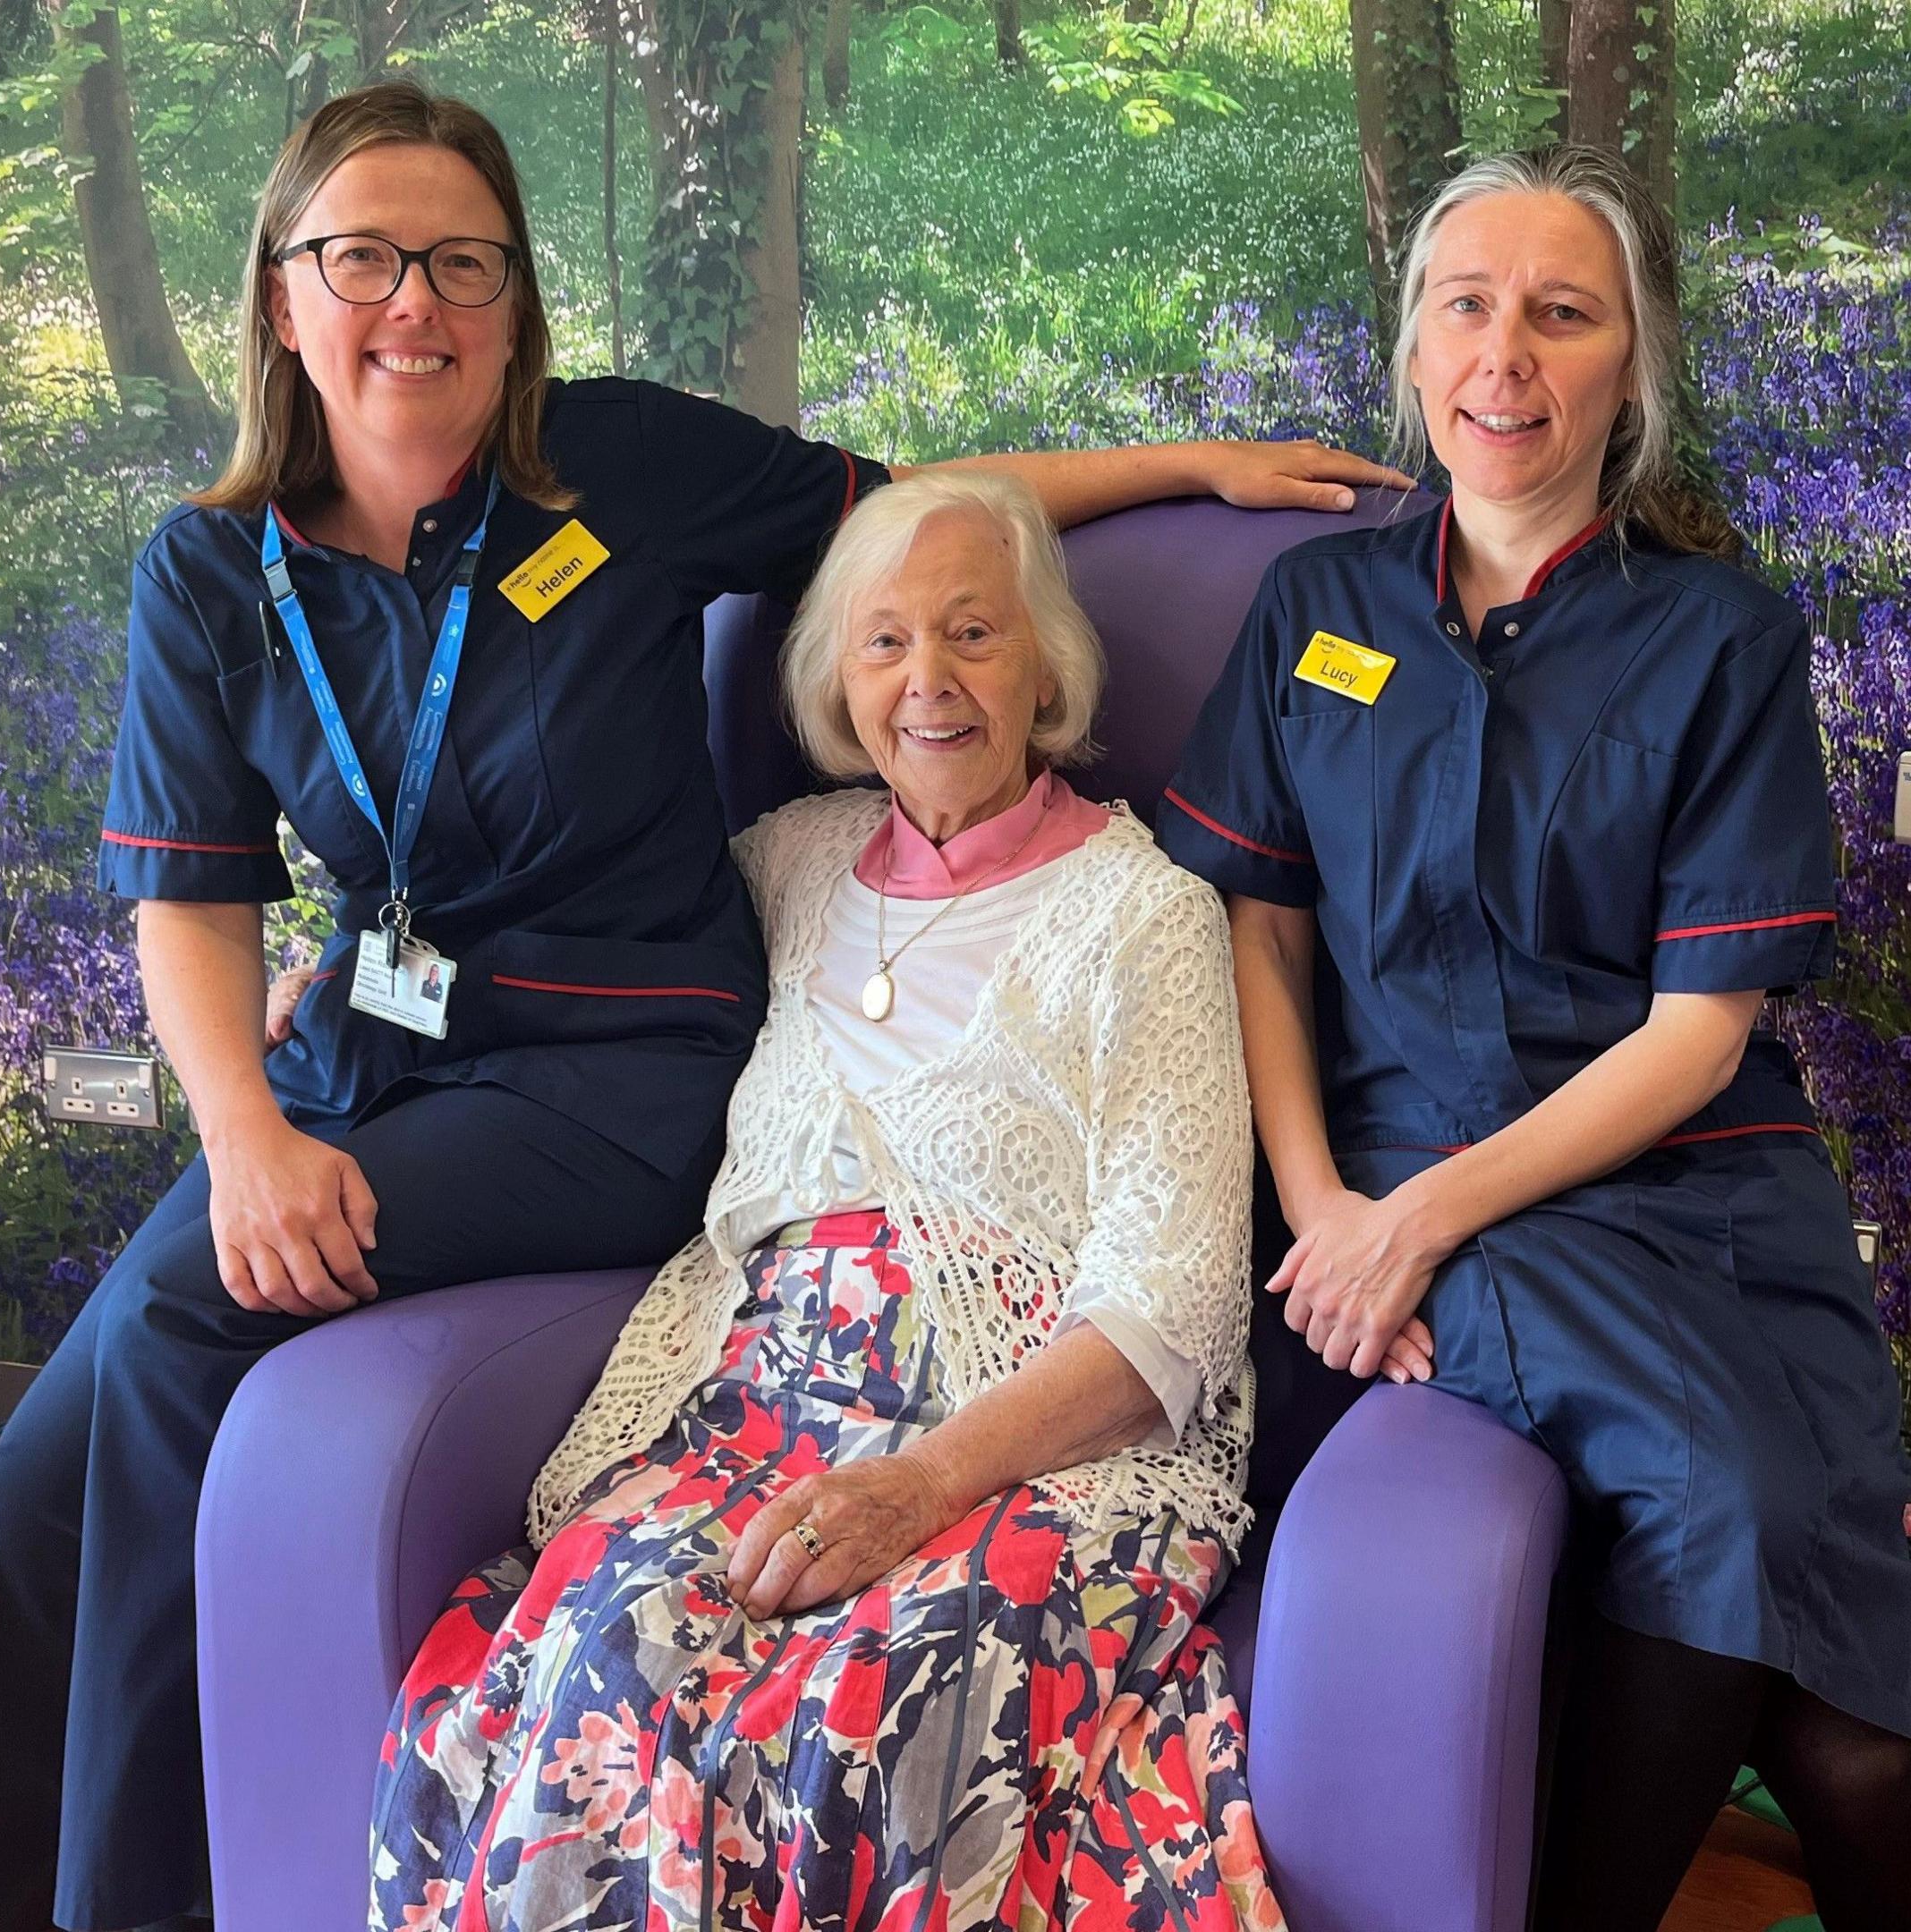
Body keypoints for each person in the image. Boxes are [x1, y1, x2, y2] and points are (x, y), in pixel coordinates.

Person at [0, 82, 1393, 1932]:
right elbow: (189, 893)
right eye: (363, 258)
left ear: (516, 308)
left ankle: (118, 1910)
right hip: (380, 1048)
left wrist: (1191, 464)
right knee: (43, 1460)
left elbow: (914, 520)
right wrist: (245, 1133)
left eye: (463, 265)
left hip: (618, 1079)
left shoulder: (616, 468)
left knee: (190, 1325)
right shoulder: (208, 575)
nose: (413, 304)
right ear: (283, 297)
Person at [1157, 146, 1911, 1931]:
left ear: (1631, 373)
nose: (1505, 355)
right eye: (1467, 304)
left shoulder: (1724, 636)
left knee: (1848, 1731)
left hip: (1699, 1184)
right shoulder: (1316, 614)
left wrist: (1419, 1220)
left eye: (1561, 313)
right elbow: (1260, 923)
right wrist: (1324, 1209)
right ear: (1413, 346)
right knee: (1752, 1546)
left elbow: (1701, 1039)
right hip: (1415, 1168)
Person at [370, 470, 1277, 1930]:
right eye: (884, 641)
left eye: (974, 634)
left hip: (1027, 1438)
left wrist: (920, 1485)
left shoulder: (1144, 912)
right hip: (749, 1407)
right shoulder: (784, 861)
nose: (929, 681)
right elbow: (578, 976)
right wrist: (360, 992)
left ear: (1046, 661)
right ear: (835, 680)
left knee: (862, 1719)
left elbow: (1174, 1301)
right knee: (607, 1661)